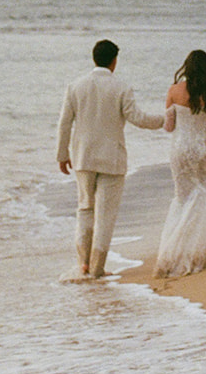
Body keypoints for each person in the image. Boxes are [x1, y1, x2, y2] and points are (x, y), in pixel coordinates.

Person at [56, 39, 164, 280]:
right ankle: (97, 267)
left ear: (94, 58)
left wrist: (62, 154)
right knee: (106, 214)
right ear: (114, 61)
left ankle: (83, 263)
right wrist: (164, 120)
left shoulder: (75, 86)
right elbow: (137, 118)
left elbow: (64, 123)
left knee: (85, 208)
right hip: (112, 159)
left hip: (83, 157)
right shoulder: (121, 87)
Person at [154, 49, 206, 278]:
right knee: (201, 198)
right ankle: (196, 254)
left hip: (179, 151)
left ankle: (170, 254)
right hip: (202, 149)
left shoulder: (173, 91)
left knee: (181, 198)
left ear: (186, 67)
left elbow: (168, 127)